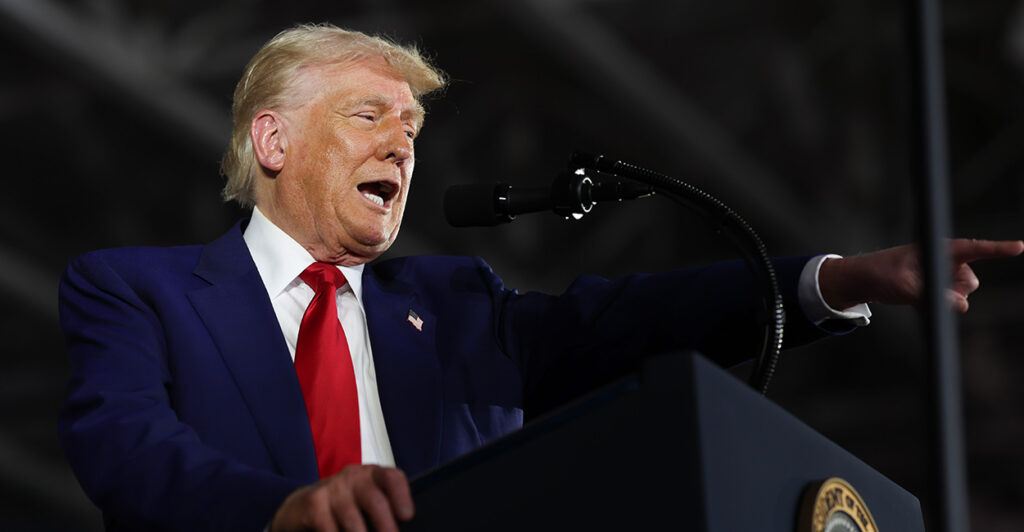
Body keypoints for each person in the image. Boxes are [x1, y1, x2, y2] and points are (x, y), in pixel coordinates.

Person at [57, 23, 1022, 532]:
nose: (403, 142)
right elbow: (129, 452)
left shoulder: (455, 307)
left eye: (414, 132)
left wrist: (839, 277)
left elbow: (638, 318)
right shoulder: (135, 289)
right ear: (272, 138)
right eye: (369, 117)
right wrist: (278, 510)